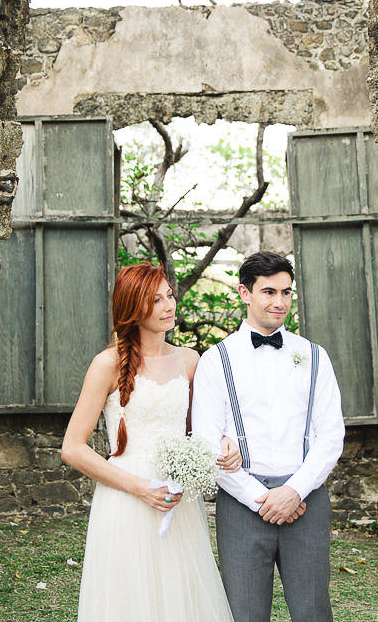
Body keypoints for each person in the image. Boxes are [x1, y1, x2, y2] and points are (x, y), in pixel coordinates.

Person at [63, 263, 241, 622]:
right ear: (133, 307)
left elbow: (201, 433)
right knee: (129, 599)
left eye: (169, 295)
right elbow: (72, 448)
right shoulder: (107, 364)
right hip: (126, 497)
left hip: (178, 499)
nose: (168, 305)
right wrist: (141, 488)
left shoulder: (191, 361)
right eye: (155, 300)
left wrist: (224, 443)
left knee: (182, 596)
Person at [192, 251, 345, 622]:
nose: (280, 302)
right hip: (242, 504)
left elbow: (331, 435)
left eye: (287, 293)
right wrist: (263, 499)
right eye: (269, 292)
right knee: (244, 614)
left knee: (313, 612)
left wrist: (293, 492)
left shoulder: (314, 355)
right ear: (245, 294)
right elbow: (206, 441)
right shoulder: (216, 360)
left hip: (305, 502)